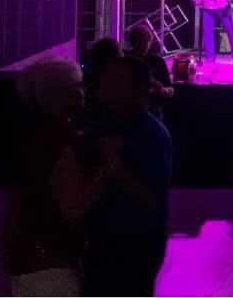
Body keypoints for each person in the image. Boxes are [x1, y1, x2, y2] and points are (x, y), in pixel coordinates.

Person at [81, 57, 173, 297]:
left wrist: (113, 166)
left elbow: (153, 197)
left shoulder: (150, 134)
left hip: (133, 239)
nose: (103, 88)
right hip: (108, 236)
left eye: (113, 83)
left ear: (133, 91)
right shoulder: (105, 124)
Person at [0, 58, 86, 296]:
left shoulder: (30, 136)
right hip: (51, 257)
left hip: (26, 252)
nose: (83, 92)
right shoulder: (61, 141)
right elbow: (73, 207)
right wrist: (109, 169)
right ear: (59, 95)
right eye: (77, 87)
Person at [125, 24, 173, 120]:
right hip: (130, 107)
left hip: (150, 108)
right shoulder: (125, 59)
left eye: (144, 41)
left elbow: (171, 89)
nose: (140, 45)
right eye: (137, 41)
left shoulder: (157, 60)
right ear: (131, 41)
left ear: (149, 42)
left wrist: (163, 91)